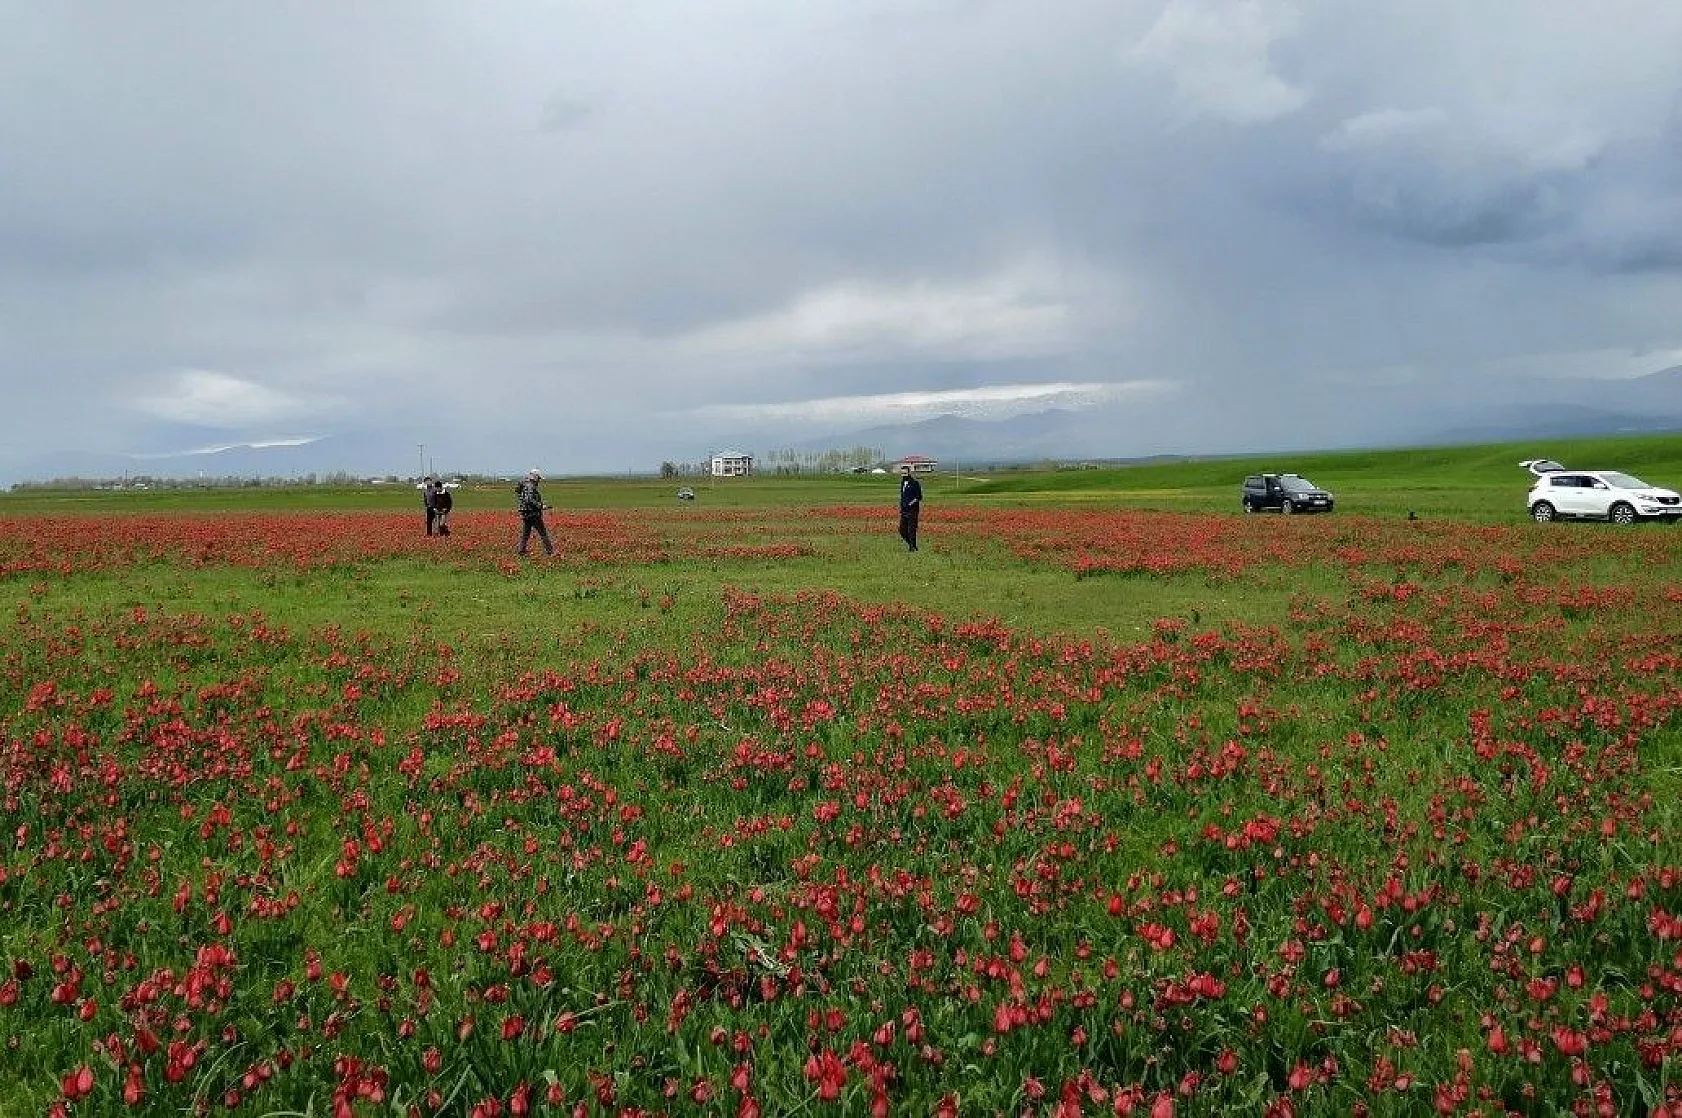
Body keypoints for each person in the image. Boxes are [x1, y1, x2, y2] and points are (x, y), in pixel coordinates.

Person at [514, 469, 554, 557]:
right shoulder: (530, 486)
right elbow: (529, 499)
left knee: (526, 533)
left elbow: (518, 492)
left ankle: (521, 551)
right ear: (535, 477)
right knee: (543, 533)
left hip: (525, 513)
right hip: (533, 513)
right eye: (538, 478)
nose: (539, 480)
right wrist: (540, 506)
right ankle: (550, 552)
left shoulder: (524, 484)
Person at [898, 464, 923, 551]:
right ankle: (912, 545)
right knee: (902, 530)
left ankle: (912, 547)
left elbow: (919, 497)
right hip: (903, 510)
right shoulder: (902, 483)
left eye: (905, 473)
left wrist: (910, 504)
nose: (903, 475)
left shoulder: (915, 483)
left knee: (911, 530)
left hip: (913, 510)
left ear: (909, 473)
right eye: (902, 473)